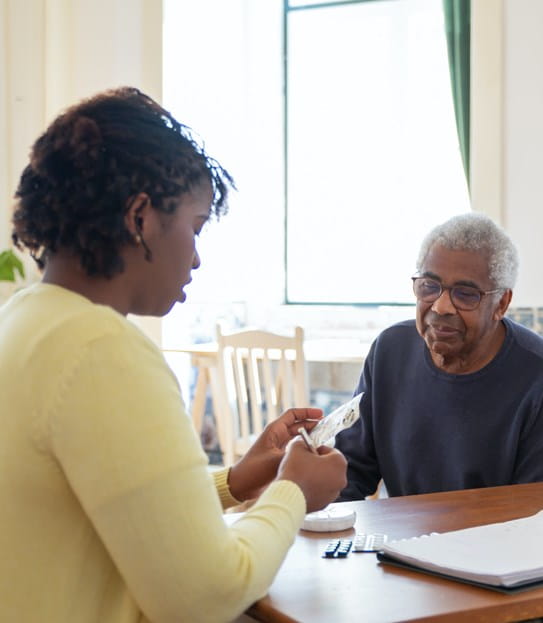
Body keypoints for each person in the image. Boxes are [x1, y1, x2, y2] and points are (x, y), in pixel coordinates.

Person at [0, 87, 347, 623]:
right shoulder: (102, 349)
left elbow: (116, 508)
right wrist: (292, 490)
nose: (198, 257)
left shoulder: (26, 319)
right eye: (196, 226)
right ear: (140, 217)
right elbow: (207, 595)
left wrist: (237, 482)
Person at [335, 212, 543, 500]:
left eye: (466, 293)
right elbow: (350, 473)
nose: (442, 306)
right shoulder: (389, 350)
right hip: (398, 539)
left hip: (495, 542)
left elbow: (530, 510)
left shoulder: (535, 376)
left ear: (502, 303)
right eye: (429, 287)